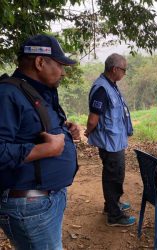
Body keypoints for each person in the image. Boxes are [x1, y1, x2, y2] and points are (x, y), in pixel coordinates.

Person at [0, 34, 80, 249]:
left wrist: (64, 129)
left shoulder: (36, 91)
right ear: (40, 62)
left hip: (45, 199)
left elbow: (29, 129)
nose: (63, 71)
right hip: (29, 205)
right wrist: (46, 149)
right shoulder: (7, 94)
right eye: (60, 65)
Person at [85, 53, 135, 227]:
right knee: (113, 177)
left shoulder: (110, 85)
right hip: (109, 143)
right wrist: (87, 132)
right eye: (124, 70)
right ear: (115, 69)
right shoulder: (101, 88)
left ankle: (111, 205)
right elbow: (93, 119)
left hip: (115, 140)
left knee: (115, 175)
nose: (124, 73)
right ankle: (114, 216)